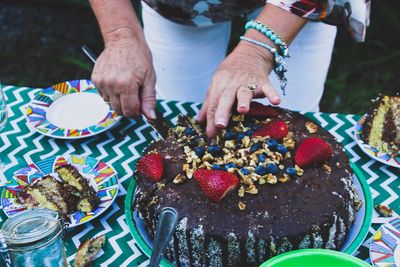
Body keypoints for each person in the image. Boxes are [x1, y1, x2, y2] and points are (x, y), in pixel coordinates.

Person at [89, 0, 370, 138]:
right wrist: (120, 33)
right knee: (183, 123)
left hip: (295, 6)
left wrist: (258, 51)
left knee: (295, 128)